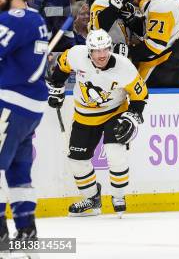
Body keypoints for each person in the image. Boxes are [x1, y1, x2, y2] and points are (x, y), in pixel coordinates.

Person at [47, 29, 148, 216]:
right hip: (84, 115)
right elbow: (62, 66)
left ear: (110, 48)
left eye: (105, 49)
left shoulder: (124, 67)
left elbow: (140, 95)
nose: (102, 55)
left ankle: (118, 196)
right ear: (89, 51)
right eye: (96, 50)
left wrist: (132, 116)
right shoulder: (76, 54)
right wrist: (57, 87)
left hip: (114, 113)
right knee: (77, 160)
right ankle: (92, 199)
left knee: (114, 153)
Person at [0, 0, 50, 240]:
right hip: (30, 107)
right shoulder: (33, 17)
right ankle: (26, 228)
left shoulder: (14, 19)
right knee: (19, 170)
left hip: (10, 102)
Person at [129, 0, 179, 87]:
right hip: (175, 63)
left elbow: (155, 46)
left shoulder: (162, 8)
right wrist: (135, 0)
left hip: (159, 67)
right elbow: (148, 3)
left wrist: (128, 53)